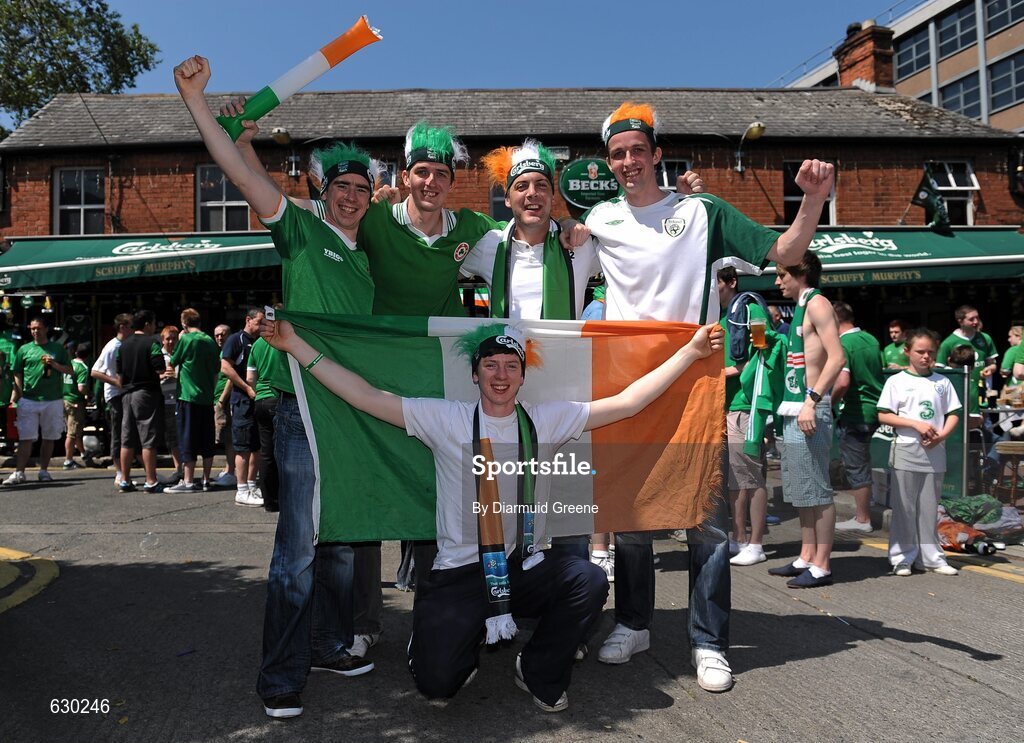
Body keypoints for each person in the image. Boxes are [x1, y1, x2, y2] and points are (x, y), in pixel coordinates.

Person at [260, 316, 723, 712]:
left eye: (510, 366)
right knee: (437, 687)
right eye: (490, 365)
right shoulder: (445, 418)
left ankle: (537, 669)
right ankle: (440, 642)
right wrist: (296, 346)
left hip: (526, 567)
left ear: (522, 376)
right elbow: (364, 396)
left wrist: (690, 352)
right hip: (460, 572)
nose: (500, 375)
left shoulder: (546, 420)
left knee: (589, 579)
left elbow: (629, 402)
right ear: (475, 374)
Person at [580, 100, 834, 691]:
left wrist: (814, 199)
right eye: (617, 155)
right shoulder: (598, 219)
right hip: (629, 386)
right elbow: (550, 270)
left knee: (707, 522)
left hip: (693, 381)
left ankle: (708, 641)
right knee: (632, 517)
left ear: (657, 156)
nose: (627, 163)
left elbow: (784, 255)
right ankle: (635, 622)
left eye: (637, 152)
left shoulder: (701, 211)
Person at [176, 53, 374, 721]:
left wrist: (249, 136)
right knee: (296, 549)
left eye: (361, 189)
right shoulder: (301, 229)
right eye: (341, 185)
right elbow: (236, 171)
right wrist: (198, 103)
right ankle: (281, 675)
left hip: (349, 413)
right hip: (299, 411)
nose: (350, 195)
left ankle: (327, 643)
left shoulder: (364, 261)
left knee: (340, 542)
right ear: (324, 193)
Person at [768, 253, 845, 588]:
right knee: (800, 487)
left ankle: (822, 564)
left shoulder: (817, 303)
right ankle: (806, 554)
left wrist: (812, 402)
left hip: (810, 406)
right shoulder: (801, 306)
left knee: (817, 488)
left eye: (782, 274)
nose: (777, 281)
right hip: (794, 406)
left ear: (800, 272)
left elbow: (837, 357)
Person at [877, 329, 961, 577]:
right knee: (904, 508)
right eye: (920, 352)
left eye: (930, 352)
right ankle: (902, 557)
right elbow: (883, 414)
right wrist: (915, 424)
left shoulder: (942, 382)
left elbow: (953, 413)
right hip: (906, 448)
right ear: (907, 352)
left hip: (935, 451)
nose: (926, 357)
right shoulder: (896, 381)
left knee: (929, 506)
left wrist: (942, 436)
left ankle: (931, 558)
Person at [717, 267, 770, 567]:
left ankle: (756, 543)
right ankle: (739, 539)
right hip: (729, 407)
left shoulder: (750, 310)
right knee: (736, 479)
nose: (713, 289)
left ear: (731, 282)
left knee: (752, 476)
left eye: (717, 283)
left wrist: (720, 374)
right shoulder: (723, 316)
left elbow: (760, 352)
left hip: (746, 406)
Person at [832, 301, 884, 534]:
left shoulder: (843, 343)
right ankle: (866, 510)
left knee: (856, 466)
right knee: (866, 463)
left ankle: (863, 518)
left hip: (855, 411)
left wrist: (823, 402)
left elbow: (842, 382)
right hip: (876, 408)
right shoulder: (871, 339)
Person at [4, 316, 73, 485]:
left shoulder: (57, 348)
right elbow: (17, 372)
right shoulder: (24, 349)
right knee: (25, 437)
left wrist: (55, 365)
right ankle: (19, 472)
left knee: (49, 437)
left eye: (38, 328)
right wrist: (18, 392)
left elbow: (70, 371)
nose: (35, 331)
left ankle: (43, 470)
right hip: (29, 399)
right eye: (32, 328)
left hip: (53, 399)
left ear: (46, 329)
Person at [164, 309, 221, 493]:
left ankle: (188, 480)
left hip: (187, 396)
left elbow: (172, 361)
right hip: (206, 396)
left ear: (184, 323)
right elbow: (215, 369)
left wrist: (181, 338)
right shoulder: (210, 341)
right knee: (207, 439)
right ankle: (205, 479)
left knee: (187, 438)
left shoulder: (186, 340)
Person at [116, 310, 166, 493]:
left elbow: (119, 376)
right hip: (146, 393)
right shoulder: (152, 342)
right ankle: (151, 480)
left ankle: (125, 479)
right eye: (153, 324)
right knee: (148, 438)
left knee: (127, 439)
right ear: (146, 324)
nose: (154, 327)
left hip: (126, 394)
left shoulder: (123, 345)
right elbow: (159, 367)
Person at [220, 308, 264, 507]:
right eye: (259, 322)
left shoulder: (260, 341)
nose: (262, 326)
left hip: (258, 400)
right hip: (242, 401)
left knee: (257, 446)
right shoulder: (236, 340)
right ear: (248, 320)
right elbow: (225, 367)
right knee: (243, 446)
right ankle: (242, 489)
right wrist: (246, 388)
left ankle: (252, 485)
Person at [92, 313, 133, 485]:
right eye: (131, 326)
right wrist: (115, 381)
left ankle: (125, 471)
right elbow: (95, 371)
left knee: (128, 433)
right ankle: (119, 471)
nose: (133, 329)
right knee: (118, 432)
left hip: (126, 393)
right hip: (116, 396)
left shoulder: (126, 344)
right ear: (122, 327)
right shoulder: (112, 347)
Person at [246, 336, 285, 512]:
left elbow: (250, 377)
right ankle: (285, 497)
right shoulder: (286, 339)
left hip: (260, 400)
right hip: (281, 398)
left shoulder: (257, 344)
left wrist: (257, 392)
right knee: (286, 451)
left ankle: (269, 500)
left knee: (266, 452)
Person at [936, 305, 998, 390]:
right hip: (959, 390)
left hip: (982, 391)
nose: (976, 322)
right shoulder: (948, 343)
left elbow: (992, 364)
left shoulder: (985, 338)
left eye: (977, 318)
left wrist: (990, 369)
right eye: (971, 319)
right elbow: (940, 370)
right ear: (960, 321)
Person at [212, 324, 236, 487]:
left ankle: (230, 471)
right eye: (217, 335)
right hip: (217, 399)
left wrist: (222, 399)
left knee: (228, 437)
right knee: (225, 436)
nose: (220, 338)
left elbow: (231, 377)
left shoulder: (229, 352)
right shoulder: (220, 352)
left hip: (225, 400)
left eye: (223, 334)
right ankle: (229, 468)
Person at [62, 342, 92, 469]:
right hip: (75, 402)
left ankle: (83, 453)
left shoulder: (69, 364)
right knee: (72, 433)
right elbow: (81, 388)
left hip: (64, 400)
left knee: (76, 431)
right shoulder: (83, 368)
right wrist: (88, 394)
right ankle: (68, 460)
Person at [159, 325, 183, 482]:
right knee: (172, 437)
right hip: (165, 401)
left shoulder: (181, 355)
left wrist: (177, 375)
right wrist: (161, 376)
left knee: (181, 435)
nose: (171, 341)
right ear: (162, 340)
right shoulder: (158, 356)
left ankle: (182, 470)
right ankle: (178, 469)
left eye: (174, 338)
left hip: (180, 399)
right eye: (168, 338)